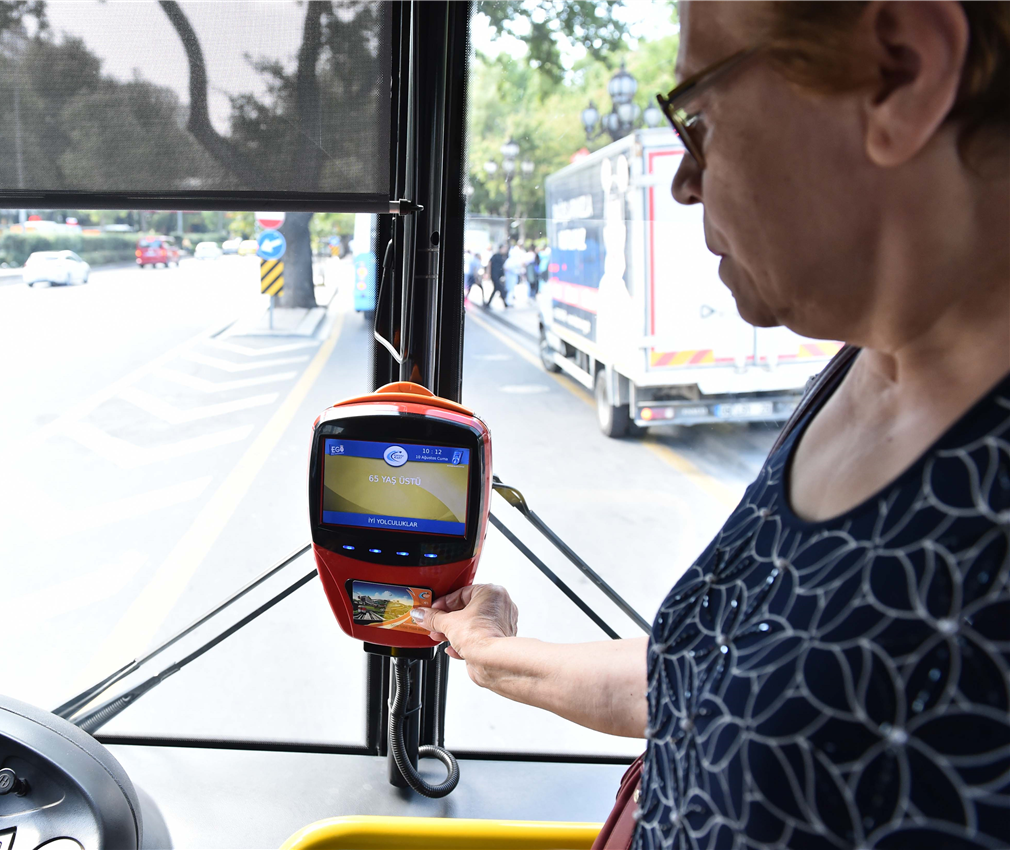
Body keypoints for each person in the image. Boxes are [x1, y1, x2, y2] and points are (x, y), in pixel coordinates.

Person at [415, 1, 1009, 847]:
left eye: (697, 115)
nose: (683, 181)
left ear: (900, 72)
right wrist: (491, 653)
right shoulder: (860, 366)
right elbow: (715, 680)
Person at [484, 244, 509, 308]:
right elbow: (489, 264)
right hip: (494, 275)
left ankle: (490, 303)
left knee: (496, 289)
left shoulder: (504, 256)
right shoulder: (496, 256)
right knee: (499, 288)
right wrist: (488, 273)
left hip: (499, 275)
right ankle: (504, 303)